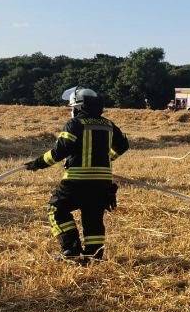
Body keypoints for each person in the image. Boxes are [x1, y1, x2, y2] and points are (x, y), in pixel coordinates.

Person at [23, 87, 129, 261]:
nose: (71, 111)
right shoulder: (108, 124)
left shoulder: (75, 124)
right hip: (102, 183)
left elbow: (59, 151)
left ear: (79, 107)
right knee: (93, 218)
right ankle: (94, 256)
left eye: (72, 107)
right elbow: (123, 145)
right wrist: (107, 158)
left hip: (77, 180)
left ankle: (71, 250)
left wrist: (37, 163)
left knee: (56, 209)